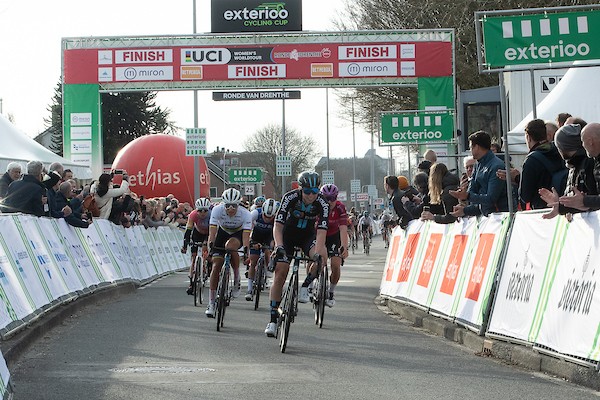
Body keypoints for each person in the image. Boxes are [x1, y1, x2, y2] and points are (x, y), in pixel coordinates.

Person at [264, 171, 328, 337]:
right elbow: (277, 225)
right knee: (281, 272)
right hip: (287, 236)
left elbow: (321, 231)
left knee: (321, 258)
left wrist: (317, 253)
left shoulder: (322, 202)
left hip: (308, 237)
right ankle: (272, 319)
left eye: (315, 191)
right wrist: (278, 246)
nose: (311, 195)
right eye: (307, 192)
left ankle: (305, 286)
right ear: (300, 189)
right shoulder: (290, 197)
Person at [205, 188, 252, 318]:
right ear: (223, 204)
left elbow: (246, 237)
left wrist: (246, 251)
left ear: (239, 205)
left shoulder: (245, 214)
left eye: (234, 206)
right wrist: (210, 247)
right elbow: (212, 233)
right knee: (216, 266)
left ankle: (237, 276)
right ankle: (211, 303)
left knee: (230, 246)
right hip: (222, 232)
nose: (230, 209)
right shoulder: (216, 210)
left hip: (237, 234)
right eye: (227, 206)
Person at [539, 124, 598, 219]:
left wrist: (583, 202)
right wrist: (561, 204)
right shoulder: (574, 165)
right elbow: (578, 201)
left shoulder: (588, 163)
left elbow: (588, 201)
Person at [450, 130, 509, 217]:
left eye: (470, 147)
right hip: (486, 216)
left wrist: (467, 196)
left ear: (476, 147)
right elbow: (472, 192)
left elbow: (491, 198)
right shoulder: (478, 165)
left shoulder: (496, 166)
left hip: (499, 216)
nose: (470, 150)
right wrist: (464, 209)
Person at [516, 119, 567, 209]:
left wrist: (516, 178)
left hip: (542, 209)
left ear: (528, 137)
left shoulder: (531, 160)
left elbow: (525, 196)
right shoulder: (560, 150)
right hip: (564, 205)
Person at [320, 184, 349, 307]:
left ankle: (331, 292)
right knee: (315, 261)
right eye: (327, 198)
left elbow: (343, 229)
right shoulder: (317, 206)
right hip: (319, 234)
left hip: (334, 236)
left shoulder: (340, 208)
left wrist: (344, 247)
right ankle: (312, 284)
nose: (330, 201)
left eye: (333, 198)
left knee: (336, 265)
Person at [245, 197, 277, 301]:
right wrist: (250, 242)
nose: (267, 219)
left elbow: (279, 232)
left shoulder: (276, 217)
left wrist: (275, 245)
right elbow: (247, 227)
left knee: (268, 250)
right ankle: (249, 290)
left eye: (270, 217)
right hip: (256, 235)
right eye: (265, 216)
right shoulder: (255, 213)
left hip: (269, 236)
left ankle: (268, 269)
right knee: (253, 261)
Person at [181, 197, 212, 295]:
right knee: (193, 258)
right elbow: (188, 231)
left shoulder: (212, 215)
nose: (202, 213)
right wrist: (185, 246)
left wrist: (208, 243)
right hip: (197, 233)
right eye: (200, 211)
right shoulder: (193, 215)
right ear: (196, 210)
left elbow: (214, 232)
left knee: (205, 249)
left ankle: (207, 265)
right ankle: (191, 283)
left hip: (208, 234)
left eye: (205, 211)